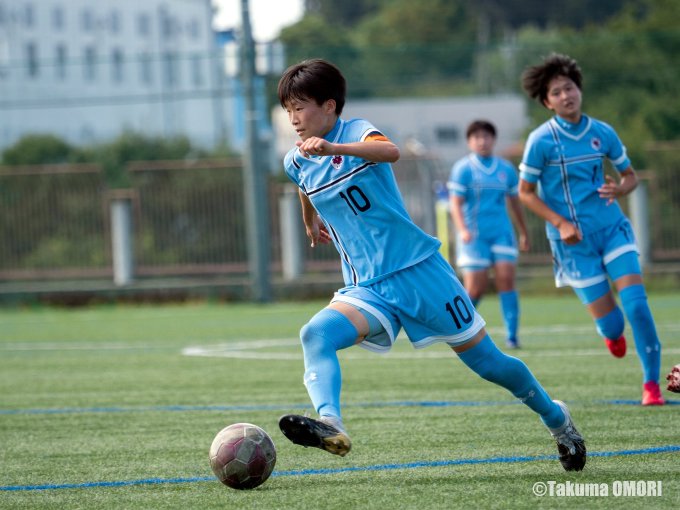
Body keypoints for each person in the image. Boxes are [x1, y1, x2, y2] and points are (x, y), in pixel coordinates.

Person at [276, 58, 586, 471]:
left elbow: (390, 151)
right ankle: (330, 423)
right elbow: (304, 182)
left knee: (489, 364)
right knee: (315, 334)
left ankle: (557, 420)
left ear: (330, 106)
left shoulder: (354, 132)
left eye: (301, 107)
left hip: (420, 273)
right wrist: (309, 218)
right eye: (288, 110)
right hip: (366, 286)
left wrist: (334, 148)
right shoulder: (294, 160)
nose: (294, 118)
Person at [519, 53, 664, 406]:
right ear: (546, 102)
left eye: (569, 87)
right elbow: (525, 193)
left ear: (579, 89)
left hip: (612, 228)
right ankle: (611, 334)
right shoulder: (541, 140)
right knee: (613, 326)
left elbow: (629, 176)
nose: (566, 95)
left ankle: (651, 386)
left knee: (637, 305)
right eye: (556, 92)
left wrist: (621, 188)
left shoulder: (603, 133)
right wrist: (561, 222)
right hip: (572, 244)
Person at [448, 120, 530, 349]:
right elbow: (455, 203)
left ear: (493, 139)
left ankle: (512, 336)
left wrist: (523, 231)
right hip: (474, 237)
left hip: (502, 234)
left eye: (486, 136)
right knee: (476, 286)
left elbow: (515, 203)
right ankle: (460, 331)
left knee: (506, 280)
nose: (482, 141)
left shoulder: (505, 169)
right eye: (477, 137)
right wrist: (462, 229)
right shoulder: (463, 168)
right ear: (469, 142)